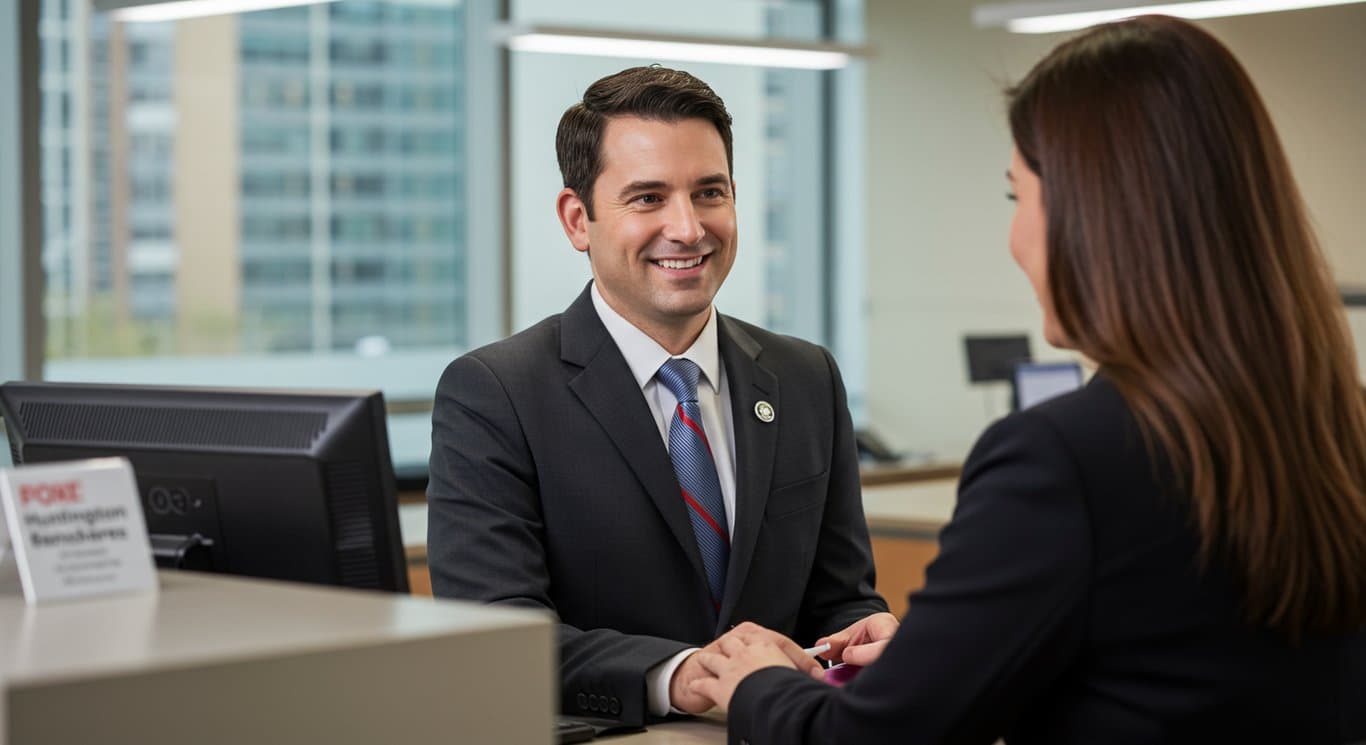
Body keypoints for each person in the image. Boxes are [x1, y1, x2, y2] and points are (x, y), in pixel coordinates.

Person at [691, 16, 1366, 744]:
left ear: (1096, 214)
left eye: (1020, 197)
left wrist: (760, 680)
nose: (1015, 237)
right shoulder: (1332, 426)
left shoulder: (1063, 459)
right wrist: (947, 654)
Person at [425, 65, 894, 727]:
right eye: (648, 198)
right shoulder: (496, 393)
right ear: (576, 219)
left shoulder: (806, 377)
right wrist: (682, 675)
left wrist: (865, 634)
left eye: (709, 192)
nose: (687, 227)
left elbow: (840, 599)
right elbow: (498, 639)